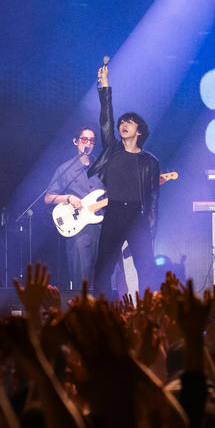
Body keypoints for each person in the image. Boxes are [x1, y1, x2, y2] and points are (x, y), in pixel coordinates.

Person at [87, 63, 160, 298]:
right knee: (103, 268)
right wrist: (105, 84)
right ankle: (103, 312)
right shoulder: (112, 150)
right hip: (114, 212)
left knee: (146, 269)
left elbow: (153, 200)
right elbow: (106, 117)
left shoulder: (150, 161)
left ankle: (150, 313)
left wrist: (151, 228)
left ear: (140, 131)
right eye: (122, 122)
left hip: (138, 216)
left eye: (129, 121)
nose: (123, 124)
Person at [44, 127, 105, 290]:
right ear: (76, 141)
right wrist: (69, 198)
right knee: (82, 277)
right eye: (84, 139)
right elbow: (48, 198)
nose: (88, 143)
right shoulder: (65, 169)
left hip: (101, 227)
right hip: (79, 231)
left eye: (92, 140)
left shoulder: (101, 167)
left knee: (102, 275)